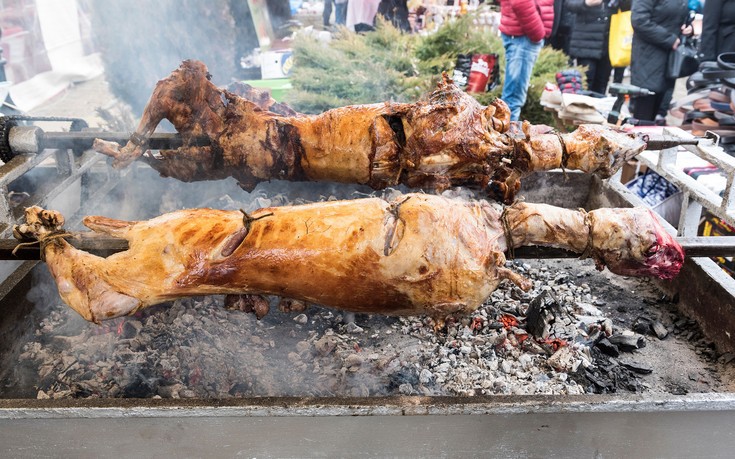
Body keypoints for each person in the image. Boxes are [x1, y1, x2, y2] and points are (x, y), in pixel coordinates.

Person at [630, 0, 692, 123]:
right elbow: (639, 20)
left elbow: (678, 18)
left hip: (669, 59)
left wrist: (689, 28)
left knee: (659, 104)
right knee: (644, 109)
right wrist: (669, 39)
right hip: (648, 56)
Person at [499, 0, 555, 121]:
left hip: (524, 34)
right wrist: (537, 32)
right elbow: (520, 2)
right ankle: (506, 138)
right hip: (524, 35)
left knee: (513, 98)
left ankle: (506, 136)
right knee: (513, 100)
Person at [565, 0, 614, 95]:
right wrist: (586, 3)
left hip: (608, 42)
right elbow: (569, 4)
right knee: (586, 83)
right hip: (586, 42)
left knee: (602, 84)